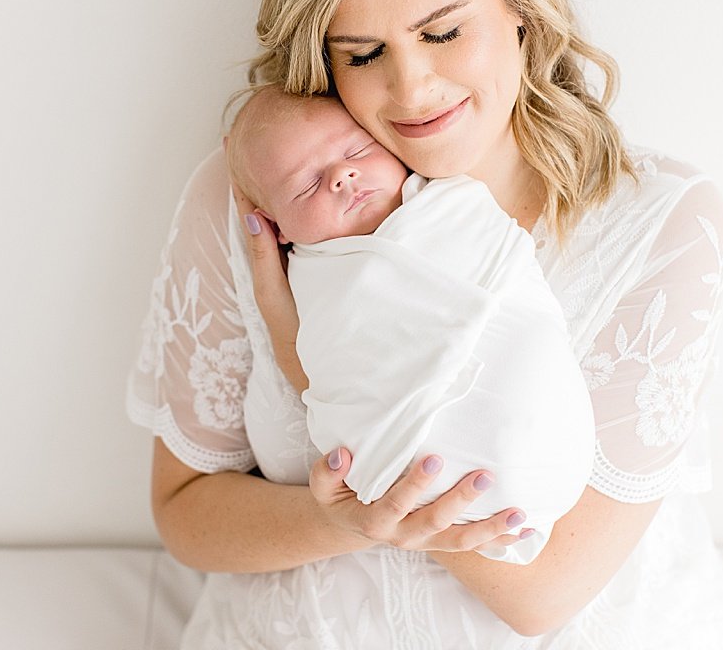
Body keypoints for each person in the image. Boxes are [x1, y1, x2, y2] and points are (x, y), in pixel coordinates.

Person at [127, 0, 723, 645]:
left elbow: (542, 593)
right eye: (362, 53)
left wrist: (312, 369)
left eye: (443, 32)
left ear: (520, 5)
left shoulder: (660, 224)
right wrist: (345, 522)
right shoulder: (267, 187)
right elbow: (184, 514)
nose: (412, 87)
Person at [223, 87, 596, 565]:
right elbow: (342, 364)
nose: (342, 175)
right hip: (418, 469)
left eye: (357, 151)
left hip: (552, 442)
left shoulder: (447, 204)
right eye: (306, 185)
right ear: (276, 227)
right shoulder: (309, 279)